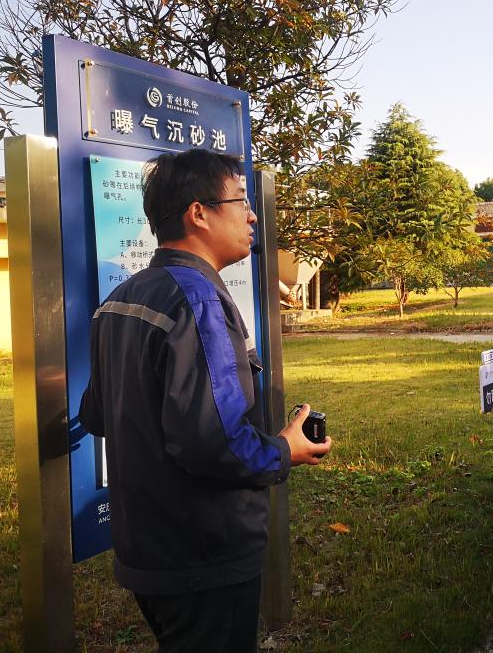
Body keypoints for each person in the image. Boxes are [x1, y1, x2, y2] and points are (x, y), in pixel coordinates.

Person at [79, 149, 332, 653]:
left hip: (146, 553)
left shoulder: (119, 301)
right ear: (199, 213)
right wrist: (285, 449)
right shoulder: (198, 301)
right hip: (204, 555)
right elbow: (214, 443)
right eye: (241, 201)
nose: (252, 215)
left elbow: (96, 414)